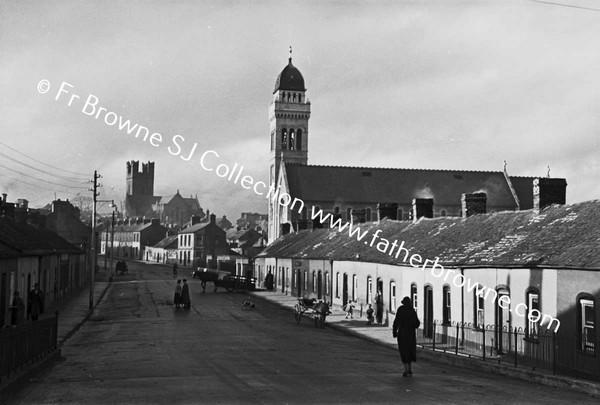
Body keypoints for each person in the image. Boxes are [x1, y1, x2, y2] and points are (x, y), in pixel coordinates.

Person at [392, 296, 421, 377]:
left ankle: (405, 369)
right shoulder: (412, 311)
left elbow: (396, 321)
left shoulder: (400, 310)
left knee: (403, 350)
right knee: (410, 349)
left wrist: (394, 331)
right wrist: (412, 325)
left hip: (402, 333)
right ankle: (410, 369)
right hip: (411, 333)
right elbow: (417, 323)